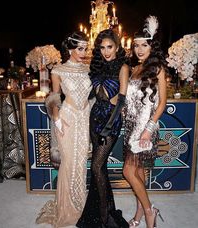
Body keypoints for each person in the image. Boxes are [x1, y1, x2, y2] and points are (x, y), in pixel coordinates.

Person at [35, 31, 92, 227]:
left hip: (84, 119)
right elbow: (54, 97)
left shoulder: (89, 69)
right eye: (80, 48)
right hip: (66, 119)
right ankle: (66, 209)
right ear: (70, 49)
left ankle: (80, 205)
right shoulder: (58, 70)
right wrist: (57, 117)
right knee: (68, 162)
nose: (84, 52)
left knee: (81, 161)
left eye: (86, 48)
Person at [76, 29, 129, 228]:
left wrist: (108, 128)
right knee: (102, 167)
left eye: (110, 47)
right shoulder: (97, 67)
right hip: (95, 118)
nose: (106, 51)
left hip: (111, 121)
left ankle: (105, 217)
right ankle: (99, 210)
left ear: (117, 47)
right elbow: (90, 94)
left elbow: (121, 101)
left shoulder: (122, 67)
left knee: (96, 165)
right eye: (103, 47)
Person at [122, 16, 168, 228]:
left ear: (152, 46)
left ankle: (150, 211)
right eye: (136, 45)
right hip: (131, 126)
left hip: (145, 128)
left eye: (144, 45)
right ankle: (140, 212)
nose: (139, 49)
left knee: (128, 172)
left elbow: (162, 104)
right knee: (138, 173)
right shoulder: (136, 68)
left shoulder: (158, 68)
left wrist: (149, 130)